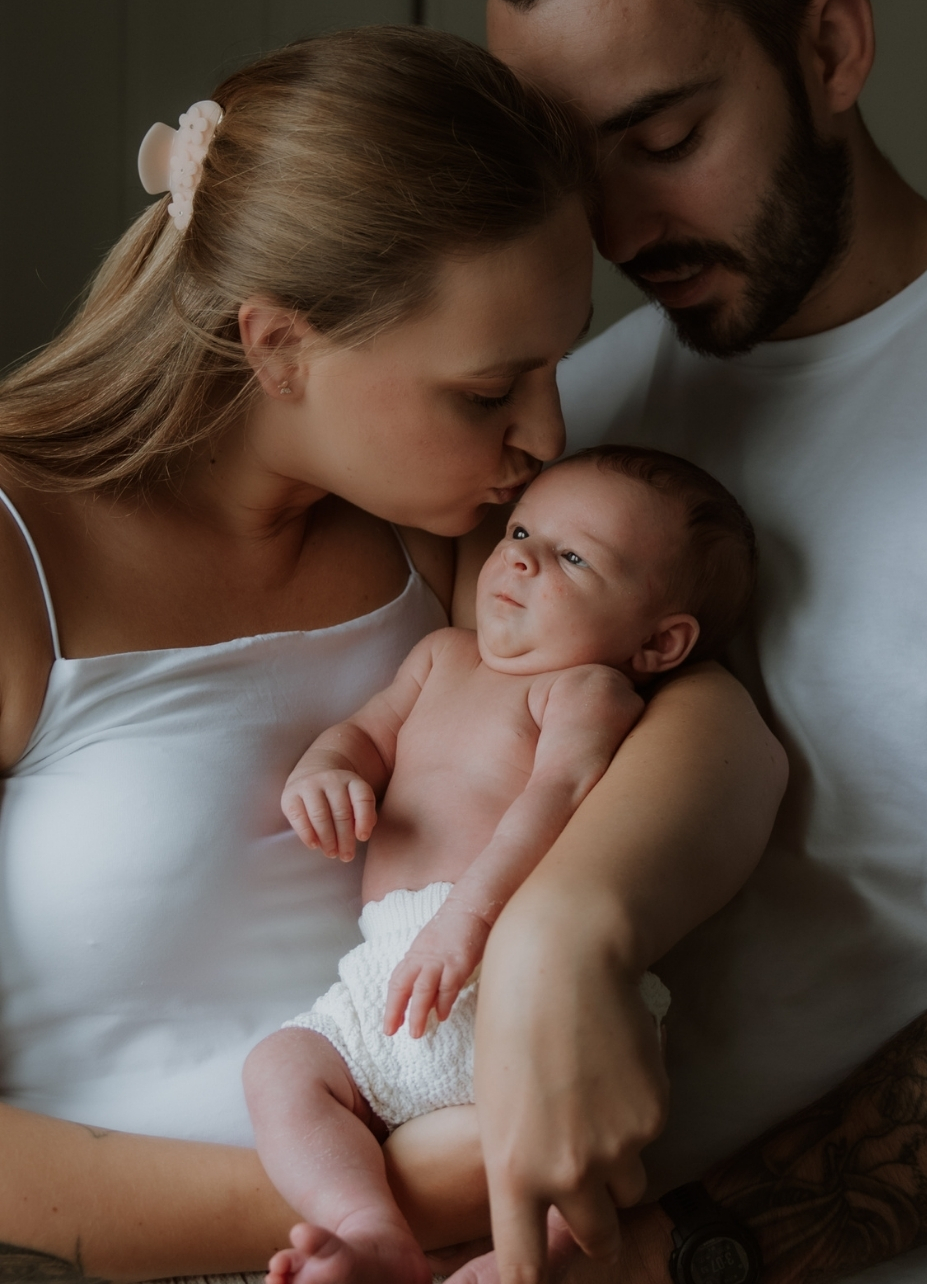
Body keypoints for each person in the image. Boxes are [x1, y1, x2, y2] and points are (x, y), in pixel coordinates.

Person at [0, 24, 788, 1282]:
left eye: (557, 364)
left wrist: (568, 932)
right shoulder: (20, 559)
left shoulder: (453, 542)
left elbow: (710, 731)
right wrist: (395, 1202)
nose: (545, 431)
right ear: (278, 345)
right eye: (488, 391)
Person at [446, 0, 927, 1281]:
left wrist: (687, 1255)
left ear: (834, 47)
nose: (617, 228)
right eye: (575, 163)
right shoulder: (571, 423)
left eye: (665, 134)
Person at [245, 446, 756, 1284]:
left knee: (555, 1133)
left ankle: (533, 1258)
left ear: (661, 642)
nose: (518, 556)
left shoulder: (586, 692)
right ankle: (368, 1228)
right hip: (386, 973)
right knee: (281, 1069)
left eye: (573, 556)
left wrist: (469, 920)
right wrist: (326, 769)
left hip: (507, 972)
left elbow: (550, 806)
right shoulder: (442, 656)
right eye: (521, 531)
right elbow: (367, 735)